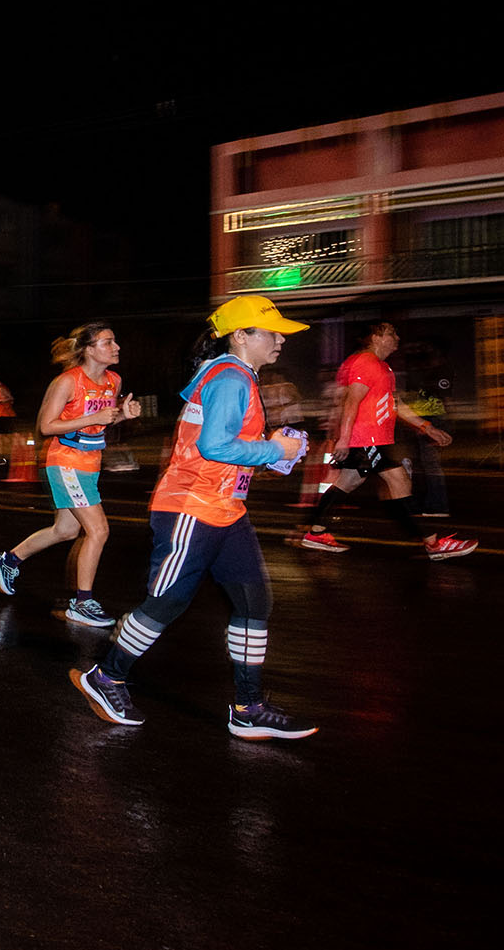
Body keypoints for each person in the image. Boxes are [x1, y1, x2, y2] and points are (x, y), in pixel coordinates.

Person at [70, 295, 318, 739]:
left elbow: (224, 444)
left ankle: (248, 708)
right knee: (168, 601)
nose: (281, 339)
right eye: (272, 332)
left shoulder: (234, 376)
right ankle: (106, 676)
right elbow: (214, 446)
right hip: (191, 506)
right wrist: (273, 449)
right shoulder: (230, 378)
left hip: (225, 508)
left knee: (254, 602)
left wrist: (273, 451)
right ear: (241, 336)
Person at [0, 323, 142, 626]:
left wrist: (123, 414)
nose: (116, 347)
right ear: (89, 349)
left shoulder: (114, 381)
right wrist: (93, 417)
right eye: (108, 342)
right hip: (65, 460)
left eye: (115, 341)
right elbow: (47, 426)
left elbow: (102, 421)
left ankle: (7, 560)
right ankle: (82, 603)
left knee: (66, 530)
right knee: (99, 530)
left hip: (90, 462)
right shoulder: (67, 382)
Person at [297, 322, 476, 560]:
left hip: (373, 439)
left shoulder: (383, 367)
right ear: (376, 337)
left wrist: (427, 427)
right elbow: (351, 402)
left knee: (347, 482)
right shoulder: (366, 363)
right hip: (367, 438)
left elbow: (394, 404)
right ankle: (433, 543)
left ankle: (316, 533)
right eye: (392, 333)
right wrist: (344, 440)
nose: (397, 338)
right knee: (399, 480)